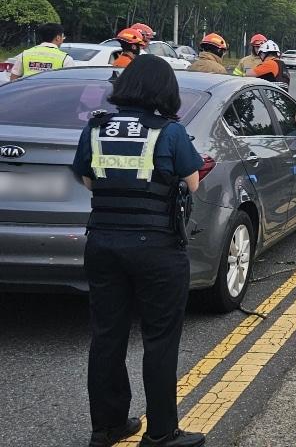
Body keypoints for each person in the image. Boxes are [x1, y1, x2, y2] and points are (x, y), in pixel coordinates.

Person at [70, 55, 207, 447]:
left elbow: (87, 179)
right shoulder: (169, 132)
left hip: (103, 242)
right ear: (165, 91)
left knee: (107, 336)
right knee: (160, 339)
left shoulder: (96, 127)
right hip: (156, 248)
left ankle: (108, 427)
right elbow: (192, 183)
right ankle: (162, 432)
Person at [9, 22, 75, 79]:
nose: (63, 39)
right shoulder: (65, 59)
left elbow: (14, 78)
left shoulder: (25, 54)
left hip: (27, 92)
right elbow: (69, 82)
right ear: (58, 38)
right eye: (63, 37)